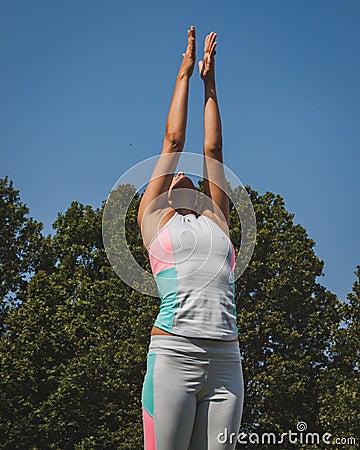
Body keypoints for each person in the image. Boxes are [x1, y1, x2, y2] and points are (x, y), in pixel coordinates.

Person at [137, 26, 244, 450]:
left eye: (189, 176)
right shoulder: (154, 219)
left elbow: (213, 150)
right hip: (173, 355)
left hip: (226, 361)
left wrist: (210, 83)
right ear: (164, 191)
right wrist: (183, 74)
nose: (183, 173)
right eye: (174, 175)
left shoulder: (217, 221)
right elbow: (174, 140)